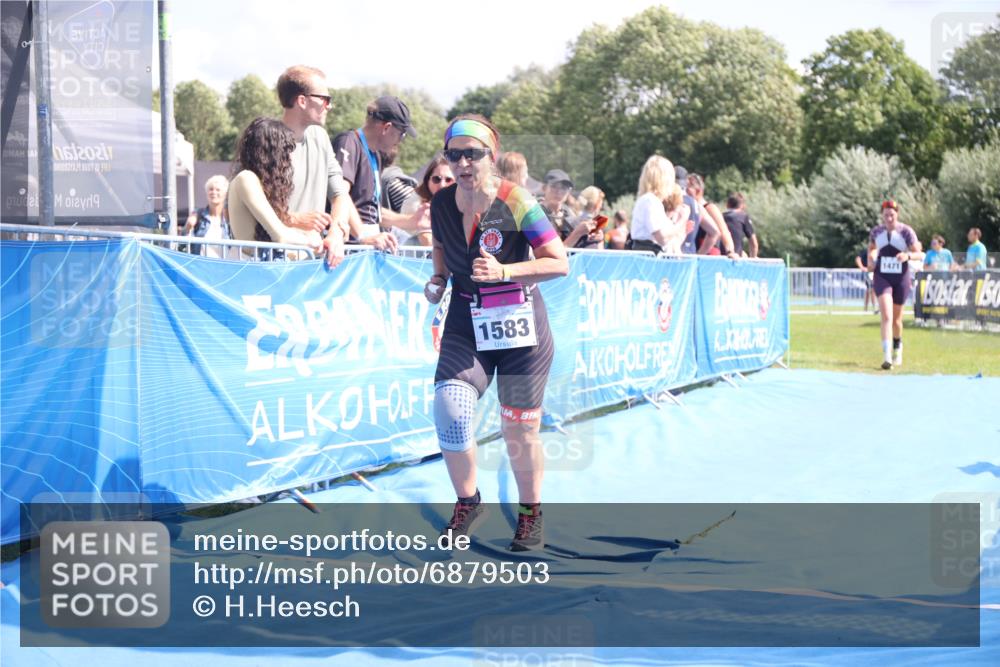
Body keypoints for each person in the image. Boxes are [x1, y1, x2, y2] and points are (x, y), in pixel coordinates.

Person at [424, 114, 568, 552]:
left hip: (521, 327)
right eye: (455, 154)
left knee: (519, 431)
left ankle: (530, 514)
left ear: (492, 156)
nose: (463, 163)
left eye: (473, 154)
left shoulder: (517, 199)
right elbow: (442, 246)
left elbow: (558, 261)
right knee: (449, 407)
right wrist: (438, 278)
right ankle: (469, 502)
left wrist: (506, 270)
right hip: (468, 321)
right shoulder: (443, 203)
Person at [275, 65, 351, 268]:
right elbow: (239, 207)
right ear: (302, 100)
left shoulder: (320, 137)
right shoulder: (264, 140)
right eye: (325, 99)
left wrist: (336, 233)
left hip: (310, 264)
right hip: (271, 264)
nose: (329, 106)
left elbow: (340, 194)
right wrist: (293, 219)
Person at [332, 96, 425, 252]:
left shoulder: (376, 155)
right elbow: (340, 193)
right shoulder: (349, 142)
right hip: (349, 248)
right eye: (402, 134)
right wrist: (362, 235)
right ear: (386, 127)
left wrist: (411, 221)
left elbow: (372, 210)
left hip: (365, 245)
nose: (400, 140)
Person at [227, 117, 324, 259]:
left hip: (258, 268)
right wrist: (313, 242)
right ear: (271, 153)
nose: (289, 159)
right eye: (285, 153)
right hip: (251, 271)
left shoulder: (254, 181)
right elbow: (280, 235)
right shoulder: (246, 179)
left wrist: (310, 238)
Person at [868, 199, 923, 370]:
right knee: (886, 315)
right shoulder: (876, 232)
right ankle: (886, 357)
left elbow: (920, 254)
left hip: (901, 278)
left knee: (897, 320)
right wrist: (871, 257)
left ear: (897, 214)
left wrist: (907, 256)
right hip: (882, 276)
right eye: (886, 215)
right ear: (882, 216)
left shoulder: (906, 232)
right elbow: (871, 248)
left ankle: (897, 348)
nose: (889, 218)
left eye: (892, 215)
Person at [629, 155, 686, 254]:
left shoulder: (646, 200)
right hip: (649, 256)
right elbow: (662, 238)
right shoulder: (651, 201)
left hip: (644, 252)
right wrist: (682, 220)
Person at [686, 173, 736, 257]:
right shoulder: (688, 209)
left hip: (709, 257)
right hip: (694, 255)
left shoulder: (709, 208)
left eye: (688, 187)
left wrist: (730, 251)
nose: (685, 190)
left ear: (698, 190)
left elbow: (724, 231)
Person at [409, 155, 455, 246]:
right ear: (427, 181)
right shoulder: (416, 202)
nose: (442, 185)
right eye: (436, 179)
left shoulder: (464, 204)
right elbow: (427, 240)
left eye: (448, 180)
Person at [184, 175, 232, 258]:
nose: (214, 192)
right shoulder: (198, 214)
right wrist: (188, 227)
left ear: (225, 194)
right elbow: (183, 243)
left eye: (218, 190)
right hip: (201, 266)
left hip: (225, 266)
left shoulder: (230, 217)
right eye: (211, 189)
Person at [674, 165, 717, 254]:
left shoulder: (669, 202)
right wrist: (699, 255)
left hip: (672, 257)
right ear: (686, 182)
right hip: (690, 258)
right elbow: (714, 232)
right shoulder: (697, 205)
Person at [570, 185, 607, 249]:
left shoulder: (571, 221)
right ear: (597, 204)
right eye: (601, 202)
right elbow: (601, 251)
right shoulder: (599, 223)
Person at [722, 192, 758, 258]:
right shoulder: (743, 217)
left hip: (720, 256)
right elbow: (753, 243)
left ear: (727, 205)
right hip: (735, 258)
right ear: (742, 205)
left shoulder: (720, 217)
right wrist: (753, 257)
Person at [854, 245, 877, 313]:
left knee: (869, 290)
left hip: (875, 273)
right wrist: (862, 267)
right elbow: (858, 259)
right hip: (868, 273)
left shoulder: (878, 251)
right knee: (872, 289)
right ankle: (873, 308)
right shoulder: (866, 251)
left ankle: (867, 308)